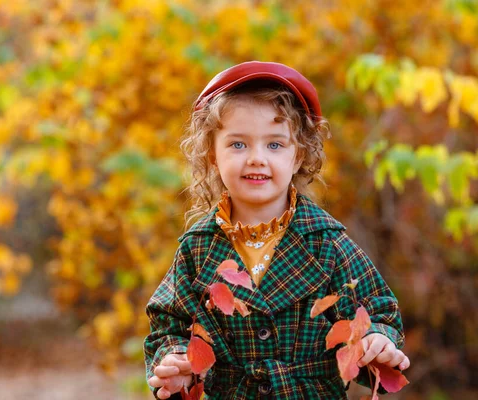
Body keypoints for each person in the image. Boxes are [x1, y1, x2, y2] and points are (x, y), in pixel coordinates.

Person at [144, 61, 410, 399]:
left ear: (297, 156)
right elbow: (169, 324)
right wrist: (177, 363)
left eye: (274, 145)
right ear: (213, 155)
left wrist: (378, 342)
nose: (256, 158)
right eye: (238, 144)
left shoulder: (325, 242)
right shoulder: (198, 248)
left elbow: (377, 310)